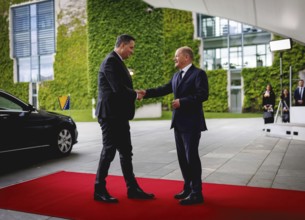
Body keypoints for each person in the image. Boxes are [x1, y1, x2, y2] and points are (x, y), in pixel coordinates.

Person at [140, 46, 209, 205]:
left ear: (186, 57)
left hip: (192, 123)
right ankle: (188, 188)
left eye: (176, 56)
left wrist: (182, 102)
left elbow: (202, 95)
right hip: (178, 123)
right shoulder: (177, 76)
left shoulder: (199, 74)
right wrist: (146, 93)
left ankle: (197, 193)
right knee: (182, 158)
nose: (174, 59)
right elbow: (164, 89)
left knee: (191, 157)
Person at [94, 34, 154, 203]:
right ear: (121, 45)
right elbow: (118, 89)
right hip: (110, 115)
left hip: (118, 116)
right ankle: (99, 190)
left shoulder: (117, 61)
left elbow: (120, 89)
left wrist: (135, 94)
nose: (132, 51)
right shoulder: (111, 61)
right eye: (131, 47)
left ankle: (132, 189)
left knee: (126, 151)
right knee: (109, 151)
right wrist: (135, 94)